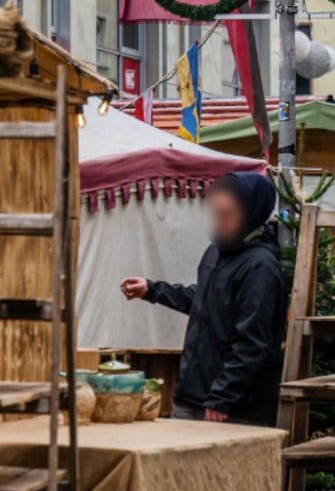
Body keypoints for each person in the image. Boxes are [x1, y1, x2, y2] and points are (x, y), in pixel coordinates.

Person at [120, 172, 286, 426]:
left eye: (227, 215)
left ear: (251, 215)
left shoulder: (260, 267)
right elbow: (203, 299)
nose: (219, 222)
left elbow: (252, 342)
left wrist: (222, 397)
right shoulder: (216, 253)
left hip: (232, 410)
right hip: (193, 396)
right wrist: (152, 290)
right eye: (216, 214)